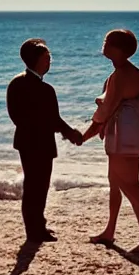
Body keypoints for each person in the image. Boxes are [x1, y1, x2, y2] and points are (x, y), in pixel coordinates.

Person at [82, 29, 139, 255]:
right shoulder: (122, 73)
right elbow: (110, 108)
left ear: (119, 49)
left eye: (108, 41)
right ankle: (110, 230)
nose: (104, 43)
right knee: (115, 183)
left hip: (125, 138)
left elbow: (106, 109)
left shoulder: (123, 75)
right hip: (123, 135)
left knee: (131, 188)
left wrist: (83, 136)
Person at [7, 38, 83, 243]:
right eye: (47, 58)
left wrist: (64, 130)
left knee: (36, 187)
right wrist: (71, 133)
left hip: (29, 142)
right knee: (36, 187)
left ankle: (37, 227)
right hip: (37, 143)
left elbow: (19, 117)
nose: (50, 61)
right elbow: (53, 120)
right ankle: (35, 231)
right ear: (36, 60)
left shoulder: (17, 83)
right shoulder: (43, 89)